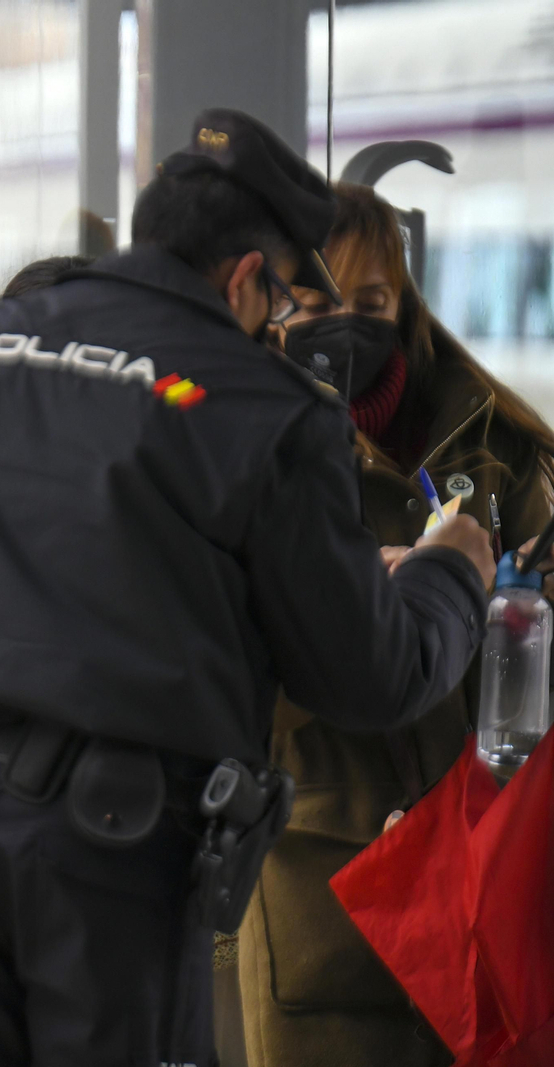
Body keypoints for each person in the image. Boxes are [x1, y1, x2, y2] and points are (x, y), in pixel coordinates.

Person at [0, 108, 496, 1066]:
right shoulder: (267, 412)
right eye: (286, 299)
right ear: (248, 276)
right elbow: (367, 676)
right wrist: (449, 577)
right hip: (109, 853)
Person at [236, 182, 554, 1067]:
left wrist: (520, 608)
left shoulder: (496, 440)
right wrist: (359, 611)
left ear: (403, 304)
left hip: (491, 858)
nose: (344, 326)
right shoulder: (250, 453)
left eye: (369, 303)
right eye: (312, 304)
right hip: (328, 886)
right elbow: (234, 693)